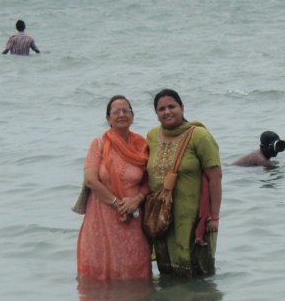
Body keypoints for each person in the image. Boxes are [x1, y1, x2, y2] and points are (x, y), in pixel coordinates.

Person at [146, 89, 222, 276]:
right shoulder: (152, 136)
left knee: (196, 273)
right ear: (156, 114)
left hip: (193, 218)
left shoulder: (199, 135)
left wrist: (214, 217)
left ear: (182, 108)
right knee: (168, 272)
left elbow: (215, 177)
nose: (167, 112)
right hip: (162, 218)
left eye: (172, 106)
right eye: (161, 109)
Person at [77, 95, 152, 282]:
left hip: (133, 217)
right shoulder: (99, 144)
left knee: (136, 271)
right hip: (102, 216)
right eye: (116, 112)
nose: (121, 114)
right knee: (100, 273)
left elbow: (151, 180)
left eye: (126, 110)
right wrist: (117, 204)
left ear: (133, 116)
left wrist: (137, 199)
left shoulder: (142, 145)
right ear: (108, 119)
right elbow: (91, 180)